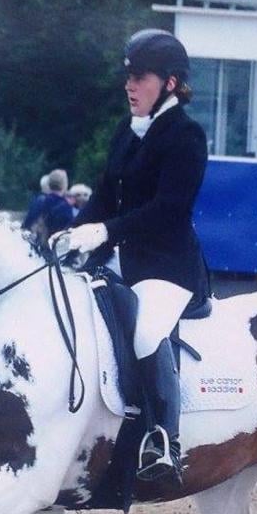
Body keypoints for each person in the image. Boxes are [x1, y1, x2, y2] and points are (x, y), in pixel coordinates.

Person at [57, 28, 210, 483]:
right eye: (128, 77)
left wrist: (104, 230)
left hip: (168, 267)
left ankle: (164, 441)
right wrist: (72, 234)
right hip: (121, 256)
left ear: (169, 83)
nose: (129, 86)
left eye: (139, 78)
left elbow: (169, 210)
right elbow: (106, 193)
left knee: (144, 334)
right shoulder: (128, 129)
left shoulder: (186, 136)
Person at [22, 168, 74, 240]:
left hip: (36, 243)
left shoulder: (39, 200)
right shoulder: (66, 207)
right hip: (53, 246)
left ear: (49, 183)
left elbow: (27, 224)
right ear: (65, 185)